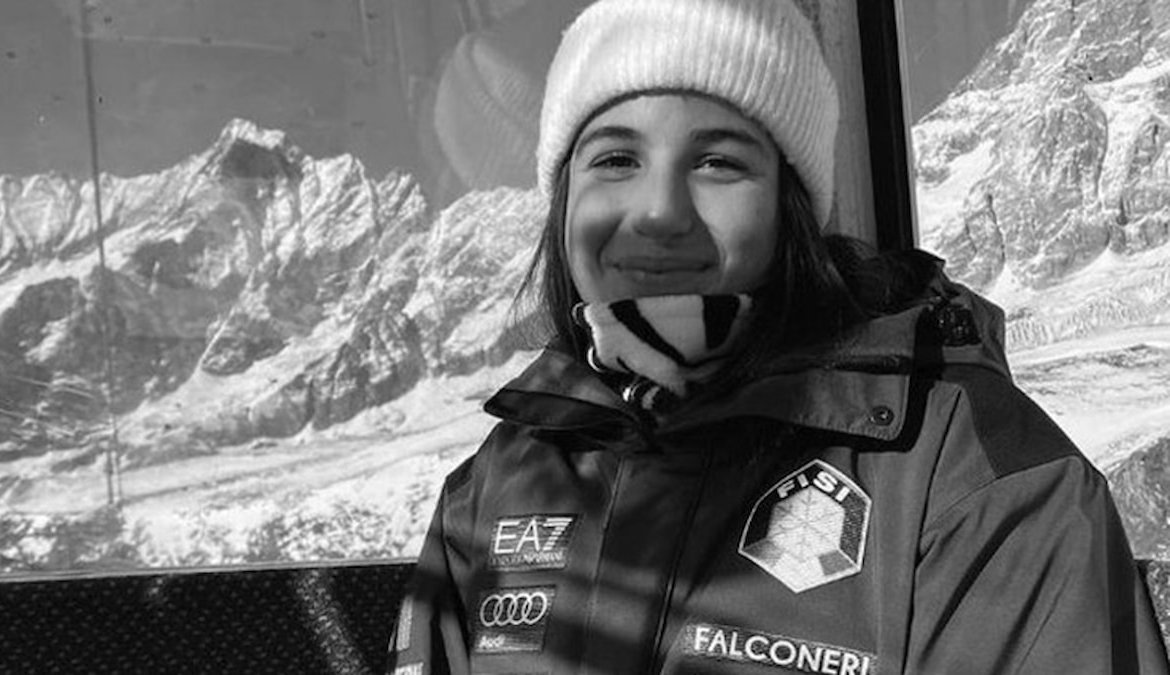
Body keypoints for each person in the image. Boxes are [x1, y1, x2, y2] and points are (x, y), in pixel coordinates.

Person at [386, 0, 1170, 673]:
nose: (659, 211)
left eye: (718, 163)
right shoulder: (496, 486)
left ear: (789, 212)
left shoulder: (977, 480)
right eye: (616, 159)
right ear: (563, 207)